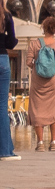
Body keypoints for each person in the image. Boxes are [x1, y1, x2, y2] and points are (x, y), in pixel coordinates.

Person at [26, 14, 55, 151]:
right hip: (53, 84)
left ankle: (40, 143)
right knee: (53, 111)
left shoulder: (34, 44)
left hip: (37, 83)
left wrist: (37, 66)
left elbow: (28, 62)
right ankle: (53, 142)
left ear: (43, 28)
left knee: (37, 110)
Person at [0, 12, 15, 160]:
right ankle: (6, 150)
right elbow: (11, 43)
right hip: (3, 60)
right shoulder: (6, 16)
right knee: (2, 107)